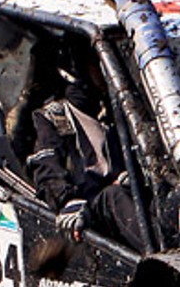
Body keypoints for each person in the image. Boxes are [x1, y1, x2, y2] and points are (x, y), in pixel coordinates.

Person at [23, 57, 139, 243]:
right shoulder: (52, 117)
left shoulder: (115, 111)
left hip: (125, 200)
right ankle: (163, 260)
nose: (108, 72)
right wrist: (67, 201)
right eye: (98, 64)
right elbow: (47, 167)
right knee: (113, 196)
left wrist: (133, 176)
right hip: (89, 208)